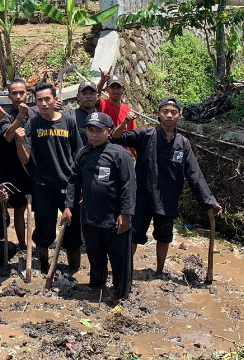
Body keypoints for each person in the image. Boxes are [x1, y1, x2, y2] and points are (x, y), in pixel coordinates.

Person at [111, 97, 223, 278]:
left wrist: (209, 201)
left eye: (173, 112)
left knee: (164, 237)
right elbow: (116, 138)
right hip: (142, 196)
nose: (169, 115)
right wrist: (125, 122)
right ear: (159, 114)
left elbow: (195, 174)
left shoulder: (183, 143)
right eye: (165, 112)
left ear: (179, 116)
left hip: (168, 197)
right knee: (134, 234)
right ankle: (125, 269)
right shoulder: (145, 135)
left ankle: (159, 272)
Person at [65, 112, 136, 300]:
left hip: (115, 218)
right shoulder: (83, 154)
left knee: (119, 258)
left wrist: (126, 213)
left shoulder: (121, 155)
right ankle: (97, 288)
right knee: (95, 256)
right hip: (90, 217)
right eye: (90, 130)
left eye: (99, 131)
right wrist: (68, 207)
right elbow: (74, 182)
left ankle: (122, 292)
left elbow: (129, 186)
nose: (94, 135)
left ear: (109, 132)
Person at [15, 82, 83, 274]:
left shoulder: (68, 120)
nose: (44, 103)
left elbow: (78, 152)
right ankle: (43, 267)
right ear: (35, 102)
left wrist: (81, 182)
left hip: (69, 182)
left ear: (55, 99)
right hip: (44, 184)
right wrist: (19, 143)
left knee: (72, 229)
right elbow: (24, 158)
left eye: (47, 99)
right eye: (39, 100)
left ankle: (74, 269)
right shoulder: (33, 124)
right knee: (44, 229)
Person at [0, 79, 38, 250]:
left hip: (36, 170)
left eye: (21, 93)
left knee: (40, 209)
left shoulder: (37, 114)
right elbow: (8, 137)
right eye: (14, 93)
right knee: (19, 209)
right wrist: (20, 116)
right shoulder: (6, 116)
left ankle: (39, 244)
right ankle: (23, 245)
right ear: (9, 96)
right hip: (16, 171)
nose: (18, 96)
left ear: (27, 94)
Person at [97, 70, 136, 157]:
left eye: (118, 87)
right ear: (107, 89)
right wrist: (102, 81)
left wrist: (137, 156)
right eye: (112, 87)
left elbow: (132, 137)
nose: (115, 90)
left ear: (123, 90)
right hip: (104, 153)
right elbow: (96, 95)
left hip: (122, 155)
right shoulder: (102, 104)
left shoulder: (127, 110)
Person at [74, 80, 100, 147]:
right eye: (84, 93)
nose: (88, 96)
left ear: (97, 96)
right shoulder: (70, 117)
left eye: (91, 93)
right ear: (78, 96)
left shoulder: (103, 118)